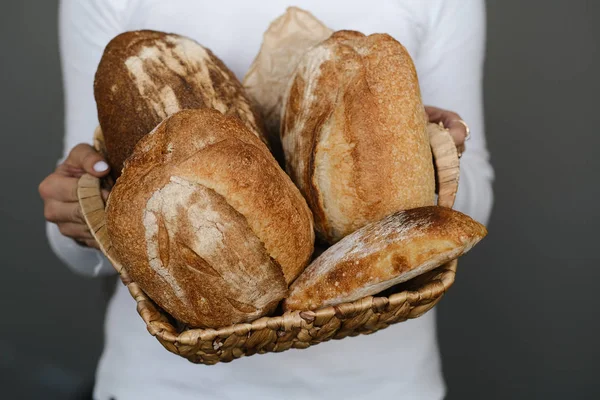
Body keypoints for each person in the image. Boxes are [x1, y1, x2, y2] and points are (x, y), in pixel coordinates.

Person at [38, 0, 493, 399]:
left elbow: (469, 208)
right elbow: (82, 238)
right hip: (166, 387)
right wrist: (81, 215)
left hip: (379, 387)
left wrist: (438, 154)